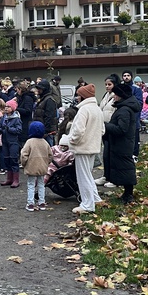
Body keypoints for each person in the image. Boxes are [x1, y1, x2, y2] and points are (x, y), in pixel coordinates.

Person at [67, 84, 104, 215]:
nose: (77, 97)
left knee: (83, 177)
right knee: (88, 175)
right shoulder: (97, 109)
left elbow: (78, 131)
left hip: (82, 147)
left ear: (83, 96)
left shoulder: (83, 110)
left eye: (78, 95)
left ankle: (87, 204)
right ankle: (95, 198)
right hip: (93, 146)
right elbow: (102, 130)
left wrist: (71, 140)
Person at [103, 83, 141, 204]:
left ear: (121, 96)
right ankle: (127, 192)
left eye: (116, 95)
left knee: (126, 166)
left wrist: (105, 125)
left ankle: (128, 193)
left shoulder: (124, 110)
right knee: (124, 167)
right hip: (122, 143)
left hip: (122, 144)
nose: (114, 97)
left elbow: (121, 129)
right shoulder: (124, 108)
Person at [95, 74, 120, 189]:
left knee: (113, 154)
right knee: (106, 154)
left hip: (112, 127)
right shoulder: (106, 95)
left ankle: (114, 178)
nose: (107, 86)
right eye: (105, 84)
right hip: (104, 127)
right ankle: (106, 175)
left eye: (109, 84)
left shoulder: (117, 96)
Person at [20, 121, 52, 211]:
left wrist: (24, 163)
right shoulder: (45, 142)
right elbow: (50, 155)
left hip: (31, 166)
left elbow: (24, 154)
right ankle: (41, 202)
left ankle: (30, 203)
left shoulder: (29, 142)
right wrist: (47, 163)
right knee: (41, 184)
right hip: (42, 166)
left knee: (31, 184)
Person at [0, 99, 22, 188]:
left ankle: (16, 179)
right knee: (6, 159)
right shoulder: (3, 117)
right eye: (6, 106)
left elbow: (19, 130)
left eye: (8, 106)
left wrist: (9, 129)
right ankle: (9, 178)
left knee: (13, 159)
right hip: (4, 141)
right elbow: (0, 127)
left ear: (13, 108)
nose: (6, 108)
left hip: (13, 142)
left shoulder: (16, 119)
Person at [122, 71, 143, 158]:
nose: (126, 77)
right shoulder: (120, 87)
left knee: (134, 137)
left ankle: (135, 154)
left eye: (128, 75)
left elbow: (139, 103)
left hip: (134, 117)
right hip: (122, 117)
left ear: (131, 77)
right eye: (124, 75)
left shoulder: (136, 89)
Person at [35, 80, 58, 145]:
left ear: (44, 89)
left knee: (49, 150)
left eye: (40, 88)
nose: (38, 90)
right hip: (42, 130)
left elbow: (49, 116)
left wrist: (45, 131)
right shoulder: (43, 99)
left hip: (47, 132)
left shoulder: (49, 100)